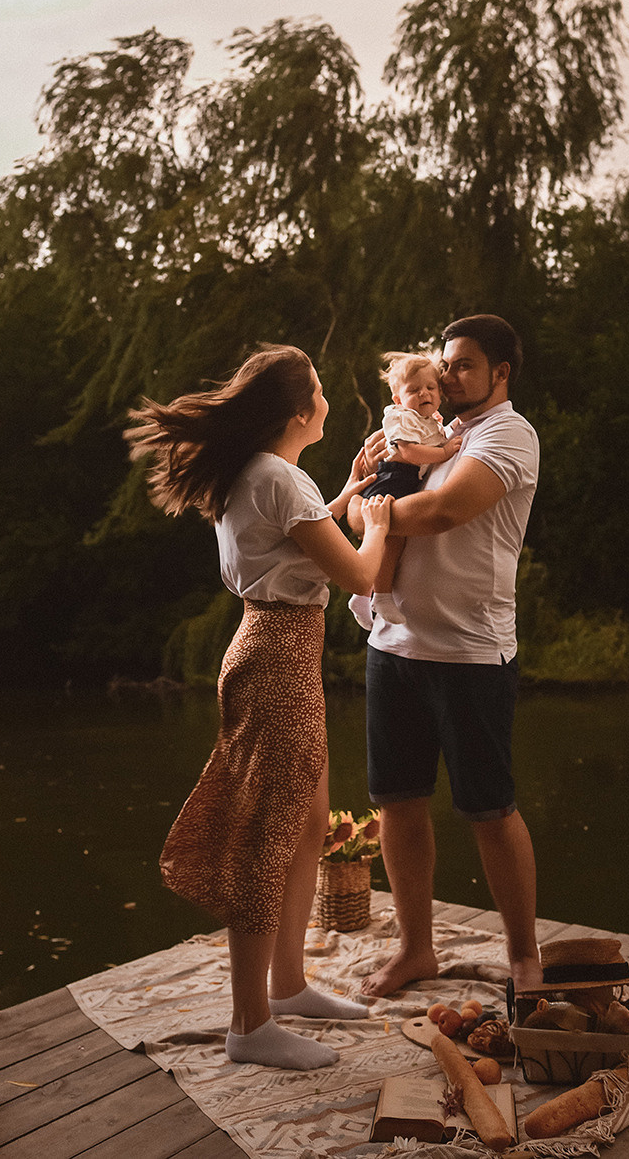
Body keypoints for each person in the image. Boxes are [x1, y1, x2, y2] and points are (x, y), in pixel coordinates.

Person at [125, 345, 392, 1069]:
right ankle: (249, 1026)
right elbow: (359, 570)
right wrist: (379, 521)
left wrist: (341, 497)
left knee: (307, 826)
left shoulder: (267, 475)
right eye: (321, 387)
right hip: (278, 657)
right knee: (266, 841)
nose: (328, 397)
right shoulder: (278, 476)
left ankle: (287, 985)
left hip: (271, 648)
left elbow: (296, 538)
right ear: (299, 410)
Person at [347, 315, 542, 998]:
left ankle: (523, 956)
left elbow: (440, 512)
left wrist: (370, 511)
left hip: (469, 650)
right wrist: (363, 491)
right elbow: (362, 506)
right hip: (393, 642)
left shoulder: (506, 434)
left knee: (489, 810)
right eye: (445, 364)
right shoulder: (425, 429)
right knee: (396, 803)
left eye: (464, 364)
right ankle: (414, 950)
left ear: (500, 372)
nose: (450, 375)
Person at [349, 352, 461, 628]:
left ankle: (361, 595)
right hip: (393, 479)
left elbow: (433, 437)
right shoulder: (400, 418)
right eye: (414, 390)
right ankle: (381, 596)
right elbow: (408, 451)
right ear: (398, 400)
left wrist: (457, 427)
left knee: (388, 541)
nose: (424, 393)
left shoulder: (428, 420)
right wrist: (445, 452)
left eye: (430, 387)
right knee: (391, 539)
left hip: (405, 481)